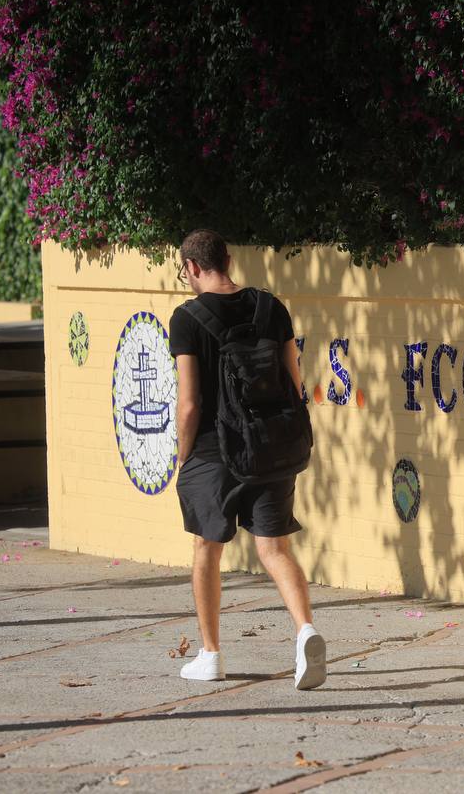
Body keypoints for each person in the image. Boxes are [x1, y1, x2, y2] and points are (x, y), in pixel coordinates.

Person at [168, 229, 325, 689]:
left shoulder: (187, 318)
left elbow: (190, 403)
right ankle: (305, 632)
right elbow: (294, 383)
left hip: (215, 450)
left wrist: (183, 455)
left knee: (206, 549)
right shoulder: (269, 307)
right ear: (228, 258)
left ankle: (211, 655)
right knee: (274, 549)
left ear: (193, 268)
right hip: (271, 446)